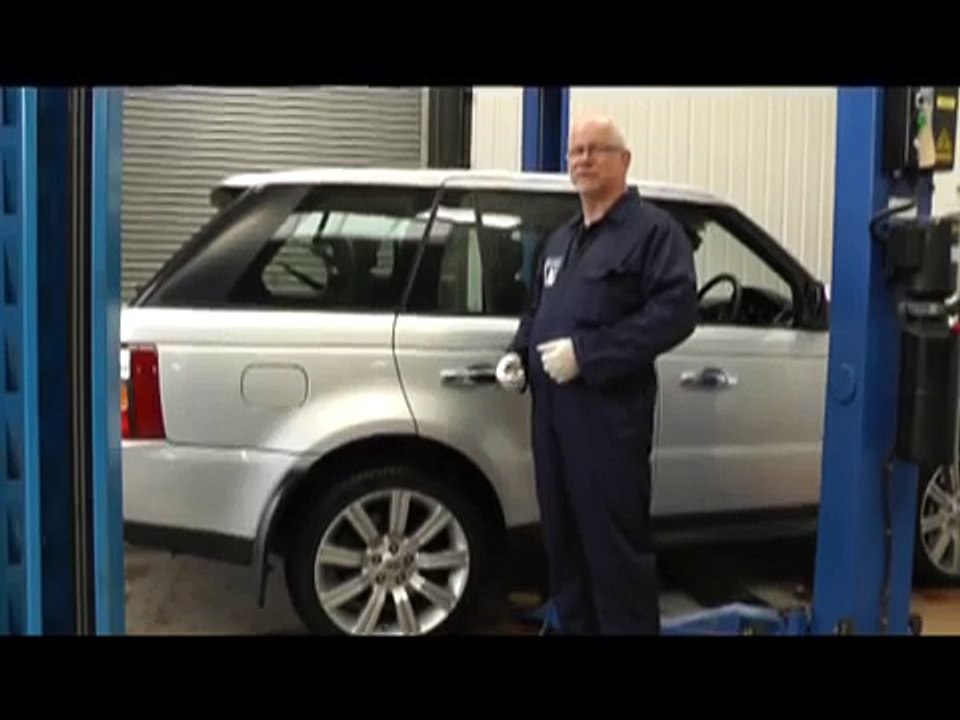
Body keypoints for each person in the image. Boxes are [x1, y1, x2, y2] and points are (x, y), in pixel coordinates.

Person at [496, 115, 699, 635]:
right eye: (575, 152)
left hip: (608, 420)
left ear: (624, 161)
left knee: (614, 555)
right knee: (564, 546)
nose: (583, 159)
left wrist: (589, 354)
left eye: (596, 150)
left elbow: (674, 313)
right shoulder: (561, 238)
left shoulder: (654, 233)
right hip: (553, 419)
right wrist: (519, 350)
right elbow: (537, 306)